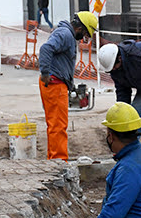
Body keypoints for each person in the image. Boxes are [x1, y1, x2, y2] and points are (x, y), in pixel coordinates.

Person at [38, 11, 98, 160]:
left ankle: (54, 160)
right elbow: (46, 49)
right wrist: (45, 73)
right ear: (80, 28)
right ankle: (59, 161)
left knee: (54, 125)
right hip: (54, 84)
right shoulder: (65, 34)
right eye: (85, 34)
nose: (83, 38)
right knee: (58, 126)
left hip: (57, 83)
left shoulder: (65, 34)